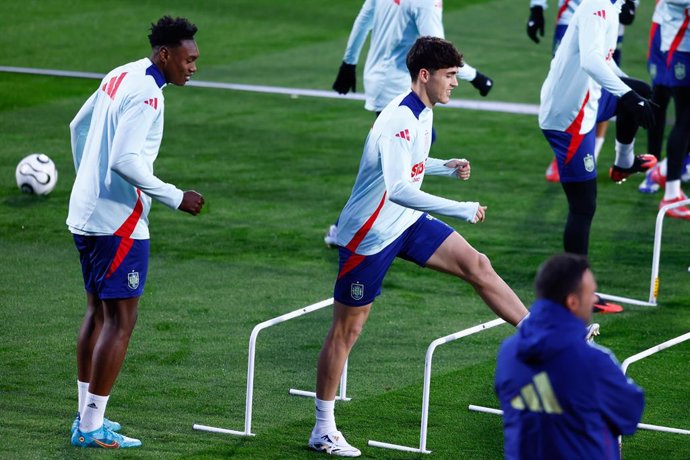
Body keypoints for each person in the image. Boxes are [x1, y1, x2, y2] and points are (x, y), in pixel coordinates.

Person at [309, 36, 529, 457]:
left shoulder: (423, 111)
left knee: (476, 264)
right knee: (347, 330)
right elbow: (398, 188)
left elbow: (407, 164)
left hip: (404, 223)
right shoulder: (399, 119)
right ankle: (322, 428)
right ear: (424, 76)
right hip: (369, 236)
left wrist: (443, 167)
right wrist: (460, 207)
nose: (456, 84)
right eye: (449, 76)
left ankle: (541, 336)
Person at [67, 16, 205, 448]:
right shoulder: (148, 94)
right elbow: (125, 160)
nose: (194, 67)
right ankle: (90, 427)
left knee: (97, 313)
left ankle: (86, 417)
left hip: (86, 214)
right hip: (118, 225)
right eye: (189, 59)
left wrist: (86, 184)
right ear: (166, 54)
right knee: (121, 321)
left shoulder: (119, 73)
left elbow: (77, 127)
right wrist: (175, 196)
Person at [538, 0, 658, 312]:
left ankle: (623, 162)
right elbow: (591, 60)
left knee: (640, 90)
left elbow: (604, 62)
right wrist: (627, 96)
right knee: (583, 205)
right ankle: (576, 291)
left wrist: (629, 93)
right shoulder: (597, 6)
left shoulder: (610, 6)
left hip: (589, 102)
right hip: (569, 119)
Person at [495, 253, 645, 460]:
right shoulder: (594, 361)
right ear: (573, 302)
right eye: (591, 293)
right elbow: (629, 415)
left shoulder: (508, 352)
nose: (594, 300)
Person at [527, 0, 639, 183]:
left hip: (612, 16)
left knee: (603, 83)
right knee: (569, 82)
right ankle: (570, 151)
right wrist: (537, 6)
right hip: (571, 14)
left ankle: (593, 151)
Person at [332, 0, 494, 114]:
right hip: (400, 87)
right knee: (408, 149)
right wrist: (477, 78)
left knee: (416, 144)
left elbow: (363, 21)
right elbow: (439, 51)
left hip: (379, 79)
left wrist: (349, 63)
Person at [649, 0, 690, 218]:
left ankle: (665, 171)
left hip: (680, 41)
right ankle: (671, 192)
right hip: (682, 45)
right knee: (685, 117)